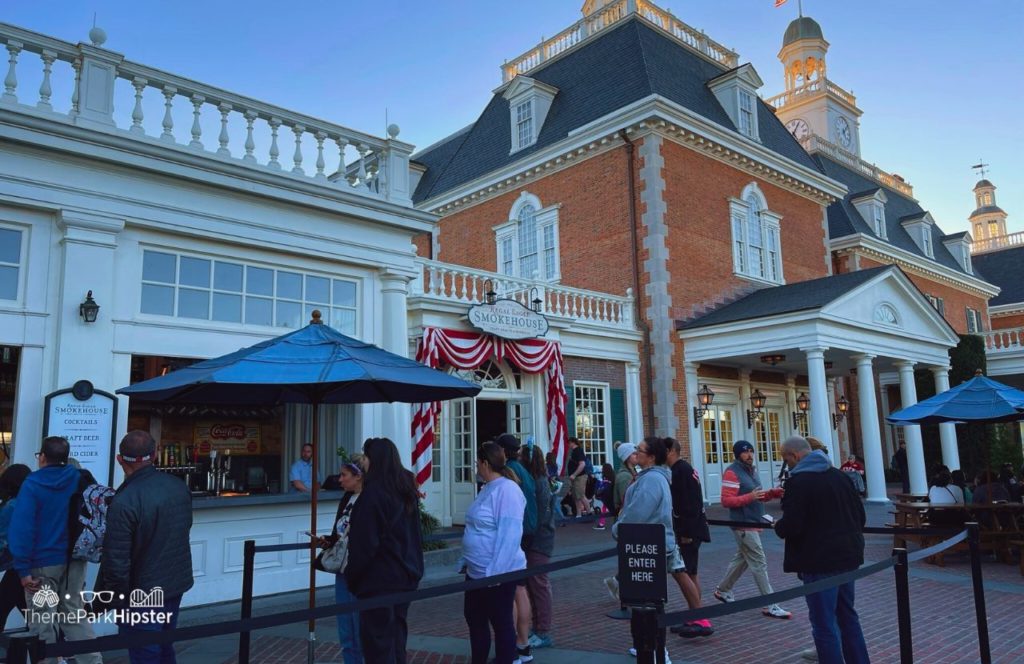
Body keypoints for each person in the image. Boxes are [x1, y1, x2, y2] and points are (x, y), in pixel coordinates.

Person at [98, 430, 194, 664]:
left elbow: (116, 560)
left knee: (145, 651)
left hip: (142, 591)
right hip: (173, 581)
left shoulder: (124, 501)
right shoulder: (178, 486)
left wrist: (108, 599)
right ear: (155, 455)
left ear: (120, 459)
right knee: (163, 644)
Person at [775, 436, 869, 664]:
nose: (787, 465)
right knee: (847, 616)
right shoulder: (840, 476)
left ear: (795, 456)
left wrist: (778, 526)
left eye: (786, 459)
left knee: (823, 623)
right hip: (847, 557)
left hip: (819, 561)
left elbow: (792, 526)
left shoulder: (798, 482)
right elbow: (861, 517)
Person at [9, 436, 102, 664]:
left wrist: (23, 570)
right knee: (74, 615)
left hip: (42, 563)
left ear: (42, 457)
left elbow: (22, 528)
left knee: (42, 620)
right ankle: (92, 661)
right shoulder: (80, 479)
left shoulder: (32, 483)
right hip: (74, 560)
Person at [345, 437, 424, 664]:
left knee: (378, 644)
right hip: (403, 576)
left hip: (379, 581)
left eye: (367, 458)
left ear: (375, 460)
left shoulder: (374, 495)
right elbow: (415, 536)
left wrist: (354, 576)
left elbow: (365, 544)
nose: (364, 463)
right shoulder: (404, 491)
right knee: (396, 638)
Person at [611, 437, 678, 664]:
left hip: (647, 549)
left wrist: (617, 529)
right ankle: (650, 648)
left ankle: (656, 651)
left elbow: (638, 512)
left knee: (647, 607)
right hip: (646, 547)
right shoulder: (651, 478)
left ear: (650, 457)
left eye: (639, 450)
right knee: (646, 606)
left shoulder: (651, 481)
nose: (636, 453)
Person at [461, 442, 526, 664]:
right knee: (475, 618)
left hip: (496, 574)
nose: (476, 467)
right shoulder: (486, 488)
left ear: (486, 463)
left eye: (478, 463)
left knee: (501, 622)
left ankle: (506, 659)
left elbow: (510, 535)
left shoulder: (508, 491)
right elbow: (475, 526)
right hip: (475, 572)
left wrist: (495, 573)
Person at [713, 440, 791, 619]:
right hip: (743, 524)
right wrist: (750, 496)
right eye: (745, 452)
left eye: (751, 451)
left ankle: (723, 590)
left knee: (744, 559)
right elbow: (726, 501)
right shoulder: (733, 472)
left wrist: (772, 493)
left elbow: (758, 496)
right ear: (737, 454)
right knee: (759, 562)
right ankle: (770, 604)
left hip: (754, 522)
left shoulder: (752, 471)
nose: (749, 455)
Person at [317, 456, 366, 664]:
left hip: (358, 570)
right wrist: (328, 541)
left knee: (359, 627)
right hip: (341, 569)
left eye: (344, 475)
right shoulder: (346, 498)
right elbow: (339, 531)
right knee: (345, 627)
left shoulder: (369, 500)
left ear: (358, 476)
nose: (340, 480)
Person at [494, 434, 536, 664]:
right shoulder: (522, 468)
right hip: (529, 531)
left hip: (517, 533)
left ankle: (512, 644)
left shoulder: (510, 470)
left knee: (508, 590)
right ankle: (523, 643)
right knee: (519, 589)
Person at [666, 437, 713, 638]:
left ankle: (700, 617)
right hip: (695, 527)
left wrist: (685, 532)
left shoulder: (679, 472)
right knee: (691, 572)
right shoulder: (686, 469)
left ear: (670, 451)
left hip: (689, 530)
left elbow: (686, 504)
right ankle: (694, 615)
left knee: (684, 572)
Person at [524, 444, 555, 650]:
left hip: (539, 540)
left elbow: (541, 514)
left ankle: (543, 631)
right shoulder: (536, 481)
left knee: (539, 585)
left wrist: (531, 534)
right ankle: (536, 627)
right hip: (534, 539)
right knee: (532, 586)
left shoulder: (540, 482)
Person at [603, 442, 637, 602]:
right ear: (627, 457)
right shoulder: (624, 477)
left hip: (630, 521)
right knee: (630, 557)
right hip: (627, 522)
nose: (637, 455)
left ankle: (617, 582)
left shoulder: (632, 473)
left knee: (632, 557)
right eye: (634, 453)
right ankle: (620, 585)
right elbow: (628, 502)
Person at [0, 464, 30, 631]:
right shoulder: (32, 501)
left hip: (17, 564)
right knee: (26, 608)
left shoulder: (11, 506)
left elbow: (2, 537)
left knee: (5, 603)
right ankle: (52, 651)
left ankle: (53, 652)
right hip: (30, 563)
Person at [566, 437, 592, 516]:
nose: (568, 444)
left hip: (579, 477)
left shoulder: (578, 451)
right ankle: (578, 514)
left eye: (569, 442)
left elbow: (582, 464)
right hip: (575, 477)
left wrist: (574, 474)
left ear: (573, 442)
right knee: (576, 496)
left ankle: (589, 513)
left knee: (580, 495)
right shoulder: (573, 451)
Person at [593, 463, 616, 530]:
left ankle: (601, 524)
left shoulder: (605, 477)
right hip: (612, 495)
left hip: (606, 495)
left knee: (604, 508)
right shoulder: (613, 476)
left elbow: (603, 486)